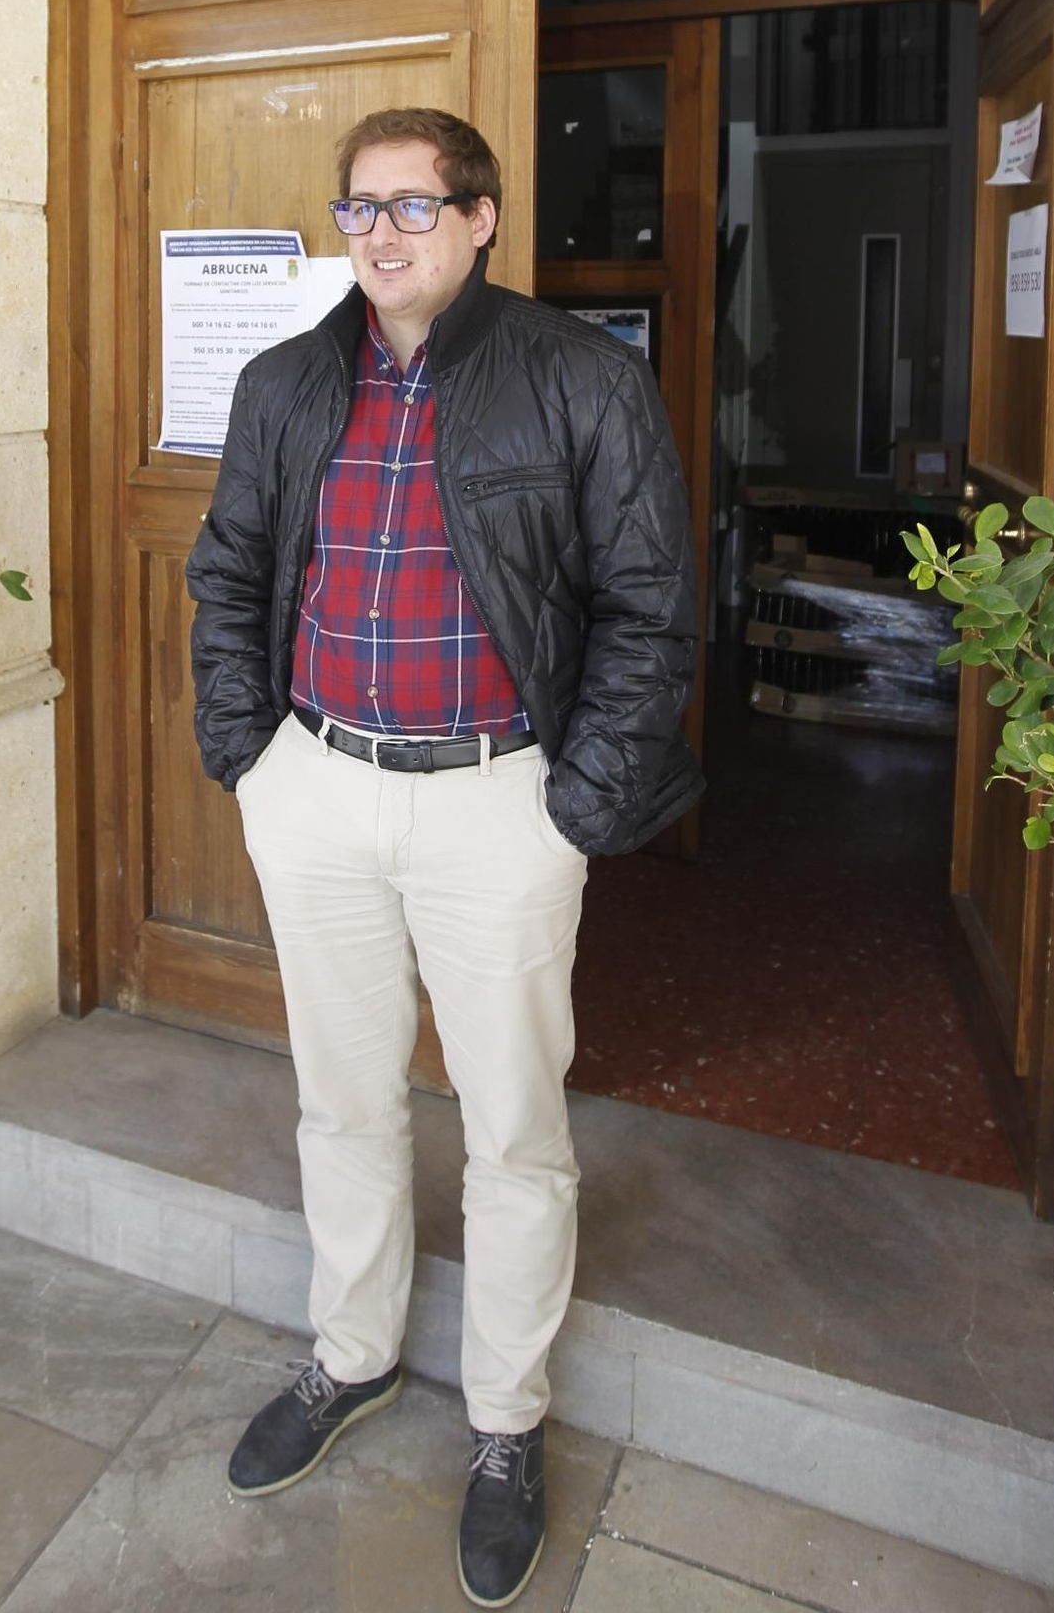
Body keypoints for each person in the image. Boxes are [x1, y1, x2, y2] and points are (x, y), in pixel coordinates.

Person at [186, 106, 700, 1608]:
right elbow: (230, 572)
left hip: (499, 805)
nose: (384, 233)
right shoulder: (287, 382)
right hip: (318, 789)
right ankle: (351, 1355)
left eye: (416, 205)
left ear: (482, 218)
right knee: (341, 1101)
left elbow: (652, 604)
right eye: (361, 208)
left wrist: (573, 802)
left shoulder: (582, 378)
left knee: (514, 1130)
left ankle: (506, 1422)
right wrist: (252, 755)